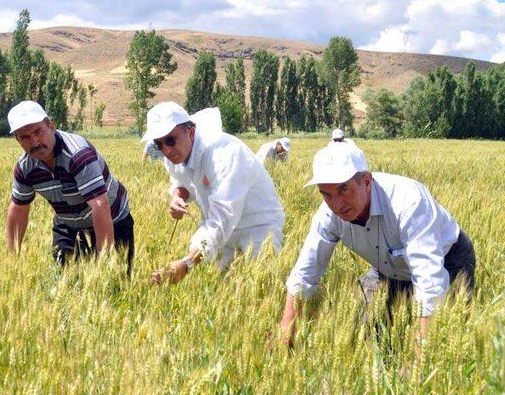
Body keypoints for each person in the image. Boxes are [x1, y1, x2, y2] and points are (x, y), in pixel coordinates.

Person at [279, 143, 475, 349]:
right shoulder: (328, 215)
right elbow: (306, 272)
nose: (336, 204)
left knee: (449, 340)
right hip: (387, 268)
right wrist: (286, 332)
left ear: (366, 182)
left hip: (447, 260)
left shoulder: (408, 202)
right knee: (367, 339)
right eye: (326, 194)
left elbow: (430, 281)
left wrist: (419, 358)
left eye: (343, 189)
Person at [144, 101, 285, 284]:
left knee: (262, 289)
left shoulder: (224, 154)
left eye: (170, 140)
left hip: (258, 229)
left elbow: (222, 218)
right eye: (159, 144)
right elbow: (181, 181)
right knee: (222, 291)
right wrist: (177, 196)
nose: (166, 149)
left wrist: (187, 263)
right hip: (221, 235)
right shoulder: (174, 155)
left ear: (191, 132)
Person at [5, 100, 134, 276]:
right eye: (25, 137)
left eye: (38, 132)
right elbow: (18, 209)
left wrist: (104, 259)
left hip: (112, 220)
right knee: (64, 283)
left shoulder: (78, 155)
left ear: (51, 127)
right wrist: (12, 259)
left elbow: (100, 205)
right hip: (68, 224)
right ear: (17, 140)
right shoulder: (25, 167)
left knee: (114, 285)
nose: (34, 142)